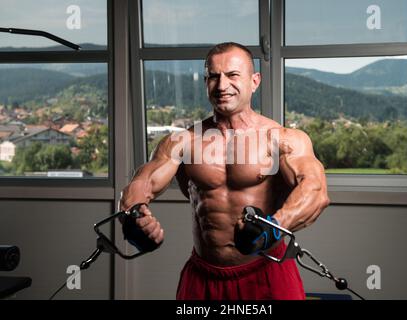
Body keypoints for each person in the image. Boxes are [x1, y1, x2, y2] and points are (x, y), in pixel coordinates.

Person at [119, 42, 330, 300]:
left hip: (267, 272)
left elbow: (315, 190)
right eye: (213, 77)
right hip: (204, 277)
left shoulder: (281, 138)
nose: (221, 86)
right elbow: (144, 181)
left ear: (254, 81)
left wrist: (274, 227)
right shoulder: (183, 141)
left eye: (232, 75)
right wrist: (133, 215)